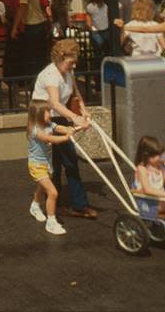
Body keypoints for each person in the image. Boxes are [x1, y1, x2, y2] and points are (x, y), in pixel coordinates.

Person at [31, 39, 96, 219]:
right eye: (71, 62)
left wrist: (84, 111)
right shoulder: (51, 75)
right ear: (59, 58)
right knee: (54, 165)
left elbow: (76, 94)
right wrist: (75, 118)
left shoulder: (68, 71)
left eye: (75, 61)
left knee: (69, 161)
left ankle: (76, 204)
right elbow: (54, 102)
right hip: (42, 118)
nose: (74, 65)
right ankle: (53, 204)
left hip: (58, 116)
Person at [26, 99, 80, 236]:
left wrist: (75, 128)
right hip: (36, 166)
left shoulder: (49, 124)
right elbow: (51, 139)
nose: (50, 114)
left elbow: (61, 128)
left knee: (42, 188)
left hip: (46, 164)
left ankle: (35, 206)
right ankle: (51, 222)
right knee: (53, 192)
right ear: (37, 114)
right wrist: (66, 137)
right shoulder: (35, 130)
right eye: (47, 112)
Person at [12, 0, 50, 76]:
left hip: (31, 25)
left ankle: (33, 85)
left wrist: (14, 27)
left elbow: (22, 6)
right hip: (41, 23)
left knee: (30, 57)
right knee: (40, 58)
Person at [85, 0, 110, 64]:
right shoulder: (106, 5)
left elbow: (89, 23)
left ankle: (98, 71)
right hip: (107, 31)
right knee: (107, 53)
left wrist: (92, 30)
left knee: (98, 55)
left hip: (96, 32)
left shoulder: (90, 7)